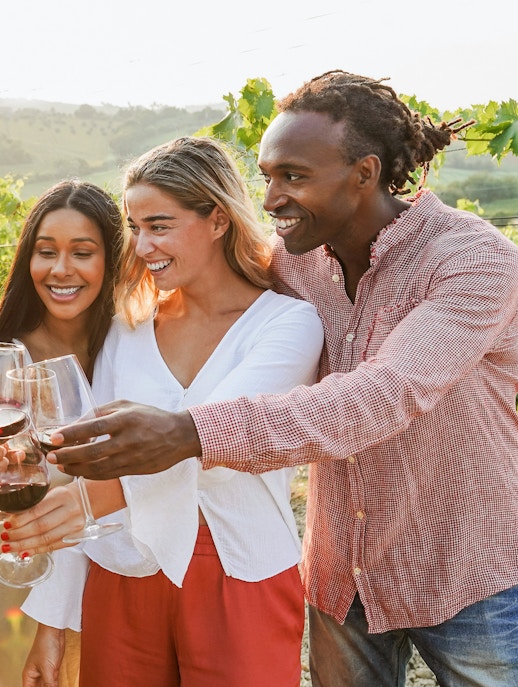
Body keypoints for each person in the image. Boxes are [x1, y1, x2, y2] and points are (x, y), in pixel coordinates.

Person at [50, 72, 518, 687]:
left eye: (293, 177)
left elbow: (387, 394)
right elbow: (208, 275)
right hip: (340, 576)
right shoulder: (292, 263)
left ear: (364, 173)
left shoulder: (474, 260)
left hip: (463, 569)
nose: (270, 199)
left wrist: (188, 432)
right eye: (268, 175)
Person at [11, 137, 324, 686]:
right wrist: (51, 622)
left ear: (218, 220)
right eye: (133, 228)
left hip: (239, 574)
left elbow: (215, 439)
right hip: (124, 568)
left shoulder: (287, 324)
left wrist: (93, 499)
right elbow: (88, 465)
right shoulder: (125, 328)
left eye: (159, 225)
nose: (140, 246)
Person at [0, 178, 125, 687]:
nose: (61, 270)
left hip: (114, 567)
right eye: (46, 252)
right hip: (22, 563)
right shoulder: (6, 359)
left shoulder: (132, 346)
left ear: (112, 259)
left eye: (82, 252)